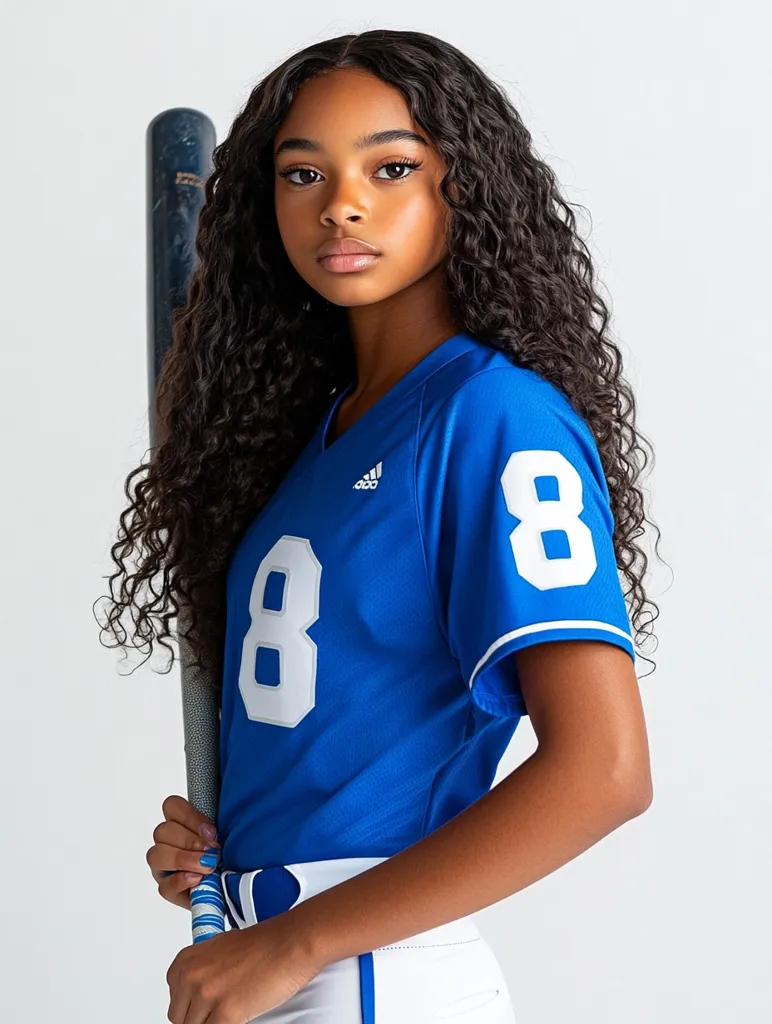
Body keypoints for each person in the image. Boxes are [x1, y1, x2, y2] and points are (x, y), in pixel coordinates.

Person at [100, 28, 659, 1024]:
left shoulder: (495, 417)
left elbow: (604, 771)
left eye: (390, 166)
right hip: (262, 955)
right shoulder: (314, 438)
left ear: (464, 185)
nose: (340, 204)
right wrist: (233, 843)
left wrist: (298, 932)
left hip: (368, 971)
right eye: (301, 172)